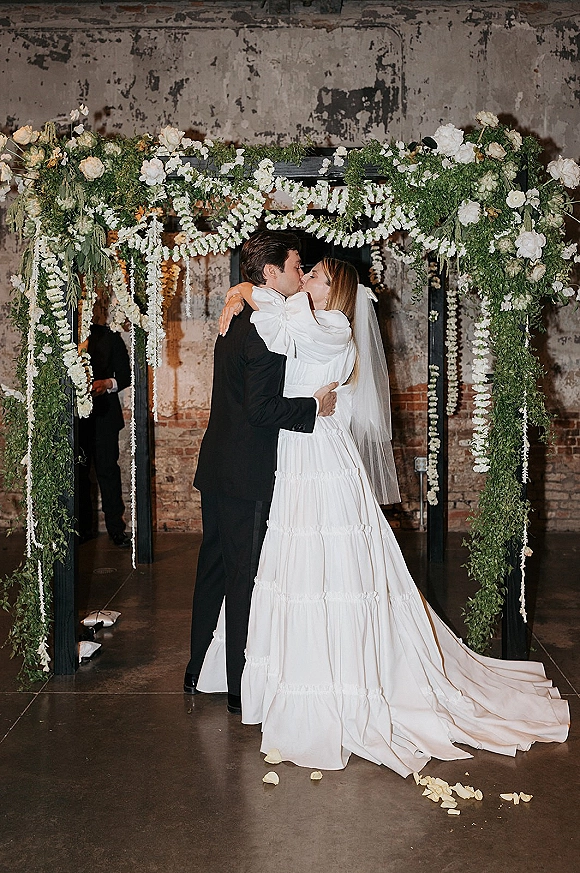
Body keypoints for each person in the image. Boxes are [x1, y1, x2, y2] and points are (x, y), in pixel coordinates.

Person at [199, 256, 569, 775]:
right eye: (302, 272)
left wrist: (249, 291)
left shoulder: (332, 328)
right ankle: (285, 672)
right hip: (293, 453)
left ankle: (336, 680)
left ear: (336, 291)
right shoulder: (301, 316)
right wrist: (243, 291)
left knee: (327, 561)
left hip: (318, 454)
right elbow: (270, 320)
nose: (303, 279)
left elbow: (282, 317)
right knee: (290, 564)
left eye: (315, 276)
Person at [183, 231, 339, 714]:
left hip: (218, 465)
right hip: (248, 471)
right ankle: (238, 689)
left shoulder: (241, 316)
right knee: (243, 578)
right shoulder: (265, 328)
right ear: (271, 273)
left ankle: (195, 671)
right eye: (296, 267)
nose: (301, 274)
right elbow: (261, 409)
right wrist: (313, 407)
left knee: (213, 569)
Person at [78, 323, 131, 547]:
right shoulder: (60, 334)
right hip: (74, 419)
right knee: (77, 474)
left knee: (108, 472)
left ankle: (116, 529)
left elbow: (126, 376)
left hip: (104, 417)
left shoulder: (108, 336)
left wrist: (106, 384)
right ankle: (81, 529)